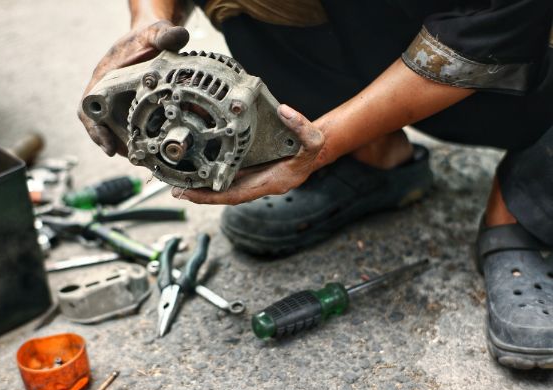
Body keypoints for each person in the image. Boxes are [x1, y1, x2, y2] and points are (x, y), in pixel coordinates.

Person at [79, 0, 553, 369]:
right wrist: (147, 28)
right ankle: (375, 156)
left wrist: (323, 145)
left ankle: (521, 210)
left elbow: (497, 20)